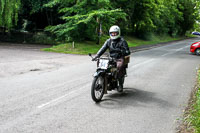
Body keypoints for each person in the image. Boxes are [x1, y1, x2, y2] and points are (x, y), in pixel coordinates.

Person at [93, 25, 130, 91]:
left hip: (119, 58)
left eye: (115, 33)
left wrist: (122, 51)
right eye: (112, 33)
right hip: (111, 57)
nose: (113, 34)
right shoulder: (108, 41)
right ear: (110, 33)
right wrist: (97, 55)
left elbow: (128, 51)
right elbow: (103, 48)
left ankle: (120, 85)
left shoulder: (122, 41)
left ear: (118, 33)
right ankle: (105, 79)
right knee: (101, 65)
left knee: (119, 68)